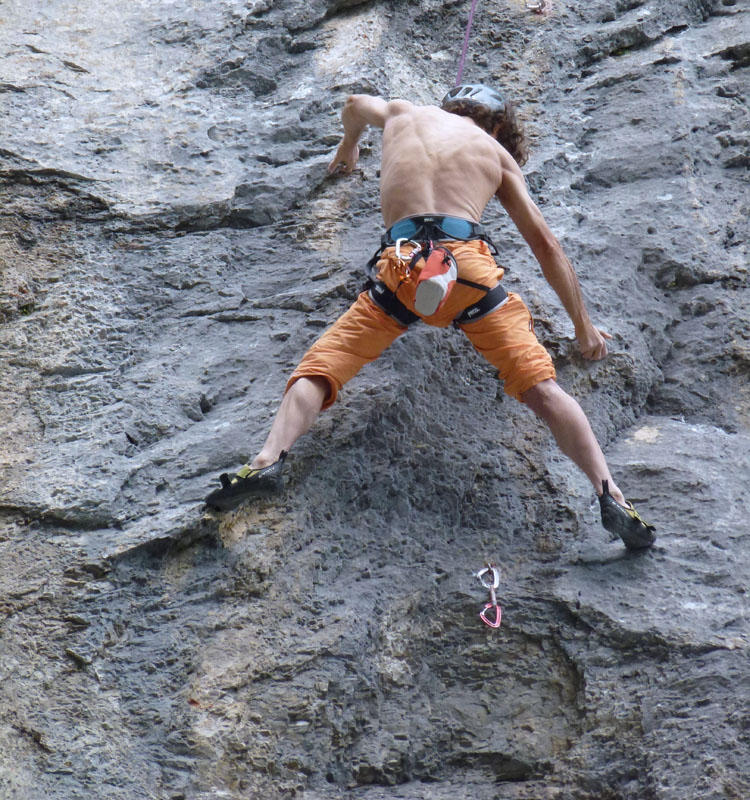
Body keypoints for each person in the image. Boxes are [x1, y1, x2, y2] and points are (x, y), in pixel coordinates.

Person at [206, 85, 656, 549]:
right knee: (540, 386)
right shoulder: (496, 152)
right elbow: (546, 245)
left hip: (399, 266)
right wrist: (583, 328)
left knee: (323, 366)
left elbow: (353, 105)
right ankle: (610, 493)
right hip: (468, 271)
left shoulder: (403, 112)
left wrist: (349, 144)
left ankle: (266, 459)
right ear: (499, 126)